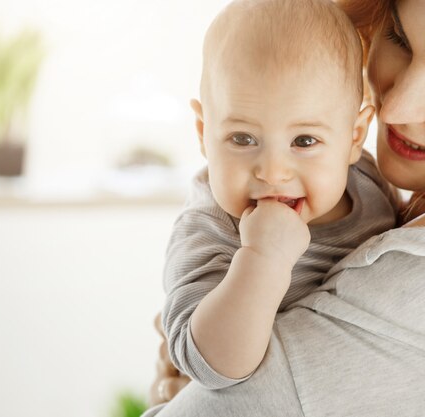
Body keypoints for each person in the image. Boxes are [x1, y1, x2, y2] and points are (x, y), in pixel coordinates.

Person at [145, 0, 425, 415]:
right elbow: (201, 359)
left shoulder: (374, 189)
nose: (392, 109)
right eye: (399, 38)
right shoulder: (215, 224)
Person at [160, 0, 399, 392]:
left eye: (304, 141)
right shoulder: (209, 228)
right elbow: (206, 366)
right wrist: (263, 261)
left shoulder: (366, 181)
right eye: (242, 138)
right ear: (204, 133)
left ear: (354, 137)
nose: (272, 172)